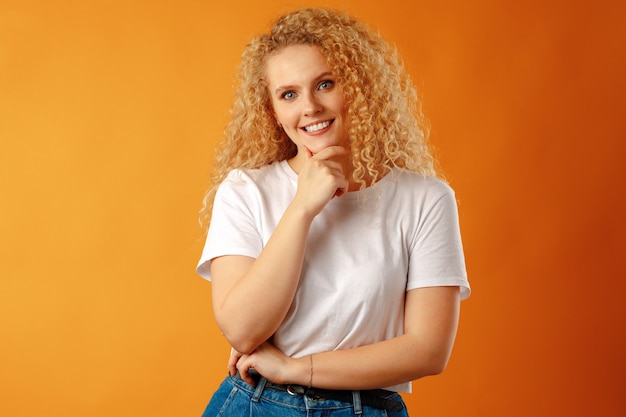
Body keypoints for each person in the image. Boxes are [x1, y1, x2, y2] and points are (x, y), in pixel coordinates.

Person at [196, 7, 470, 416]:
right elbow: (242, 328)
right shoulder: (244, 191)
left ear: (356, 89)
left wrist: (296, 368)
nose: (309, 106)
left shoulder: (426, 200)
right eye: (288, 94)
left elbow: (428, 350)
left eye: (325, 84)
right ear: (273, 111)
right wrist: (304, 206)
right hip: (257, 404)